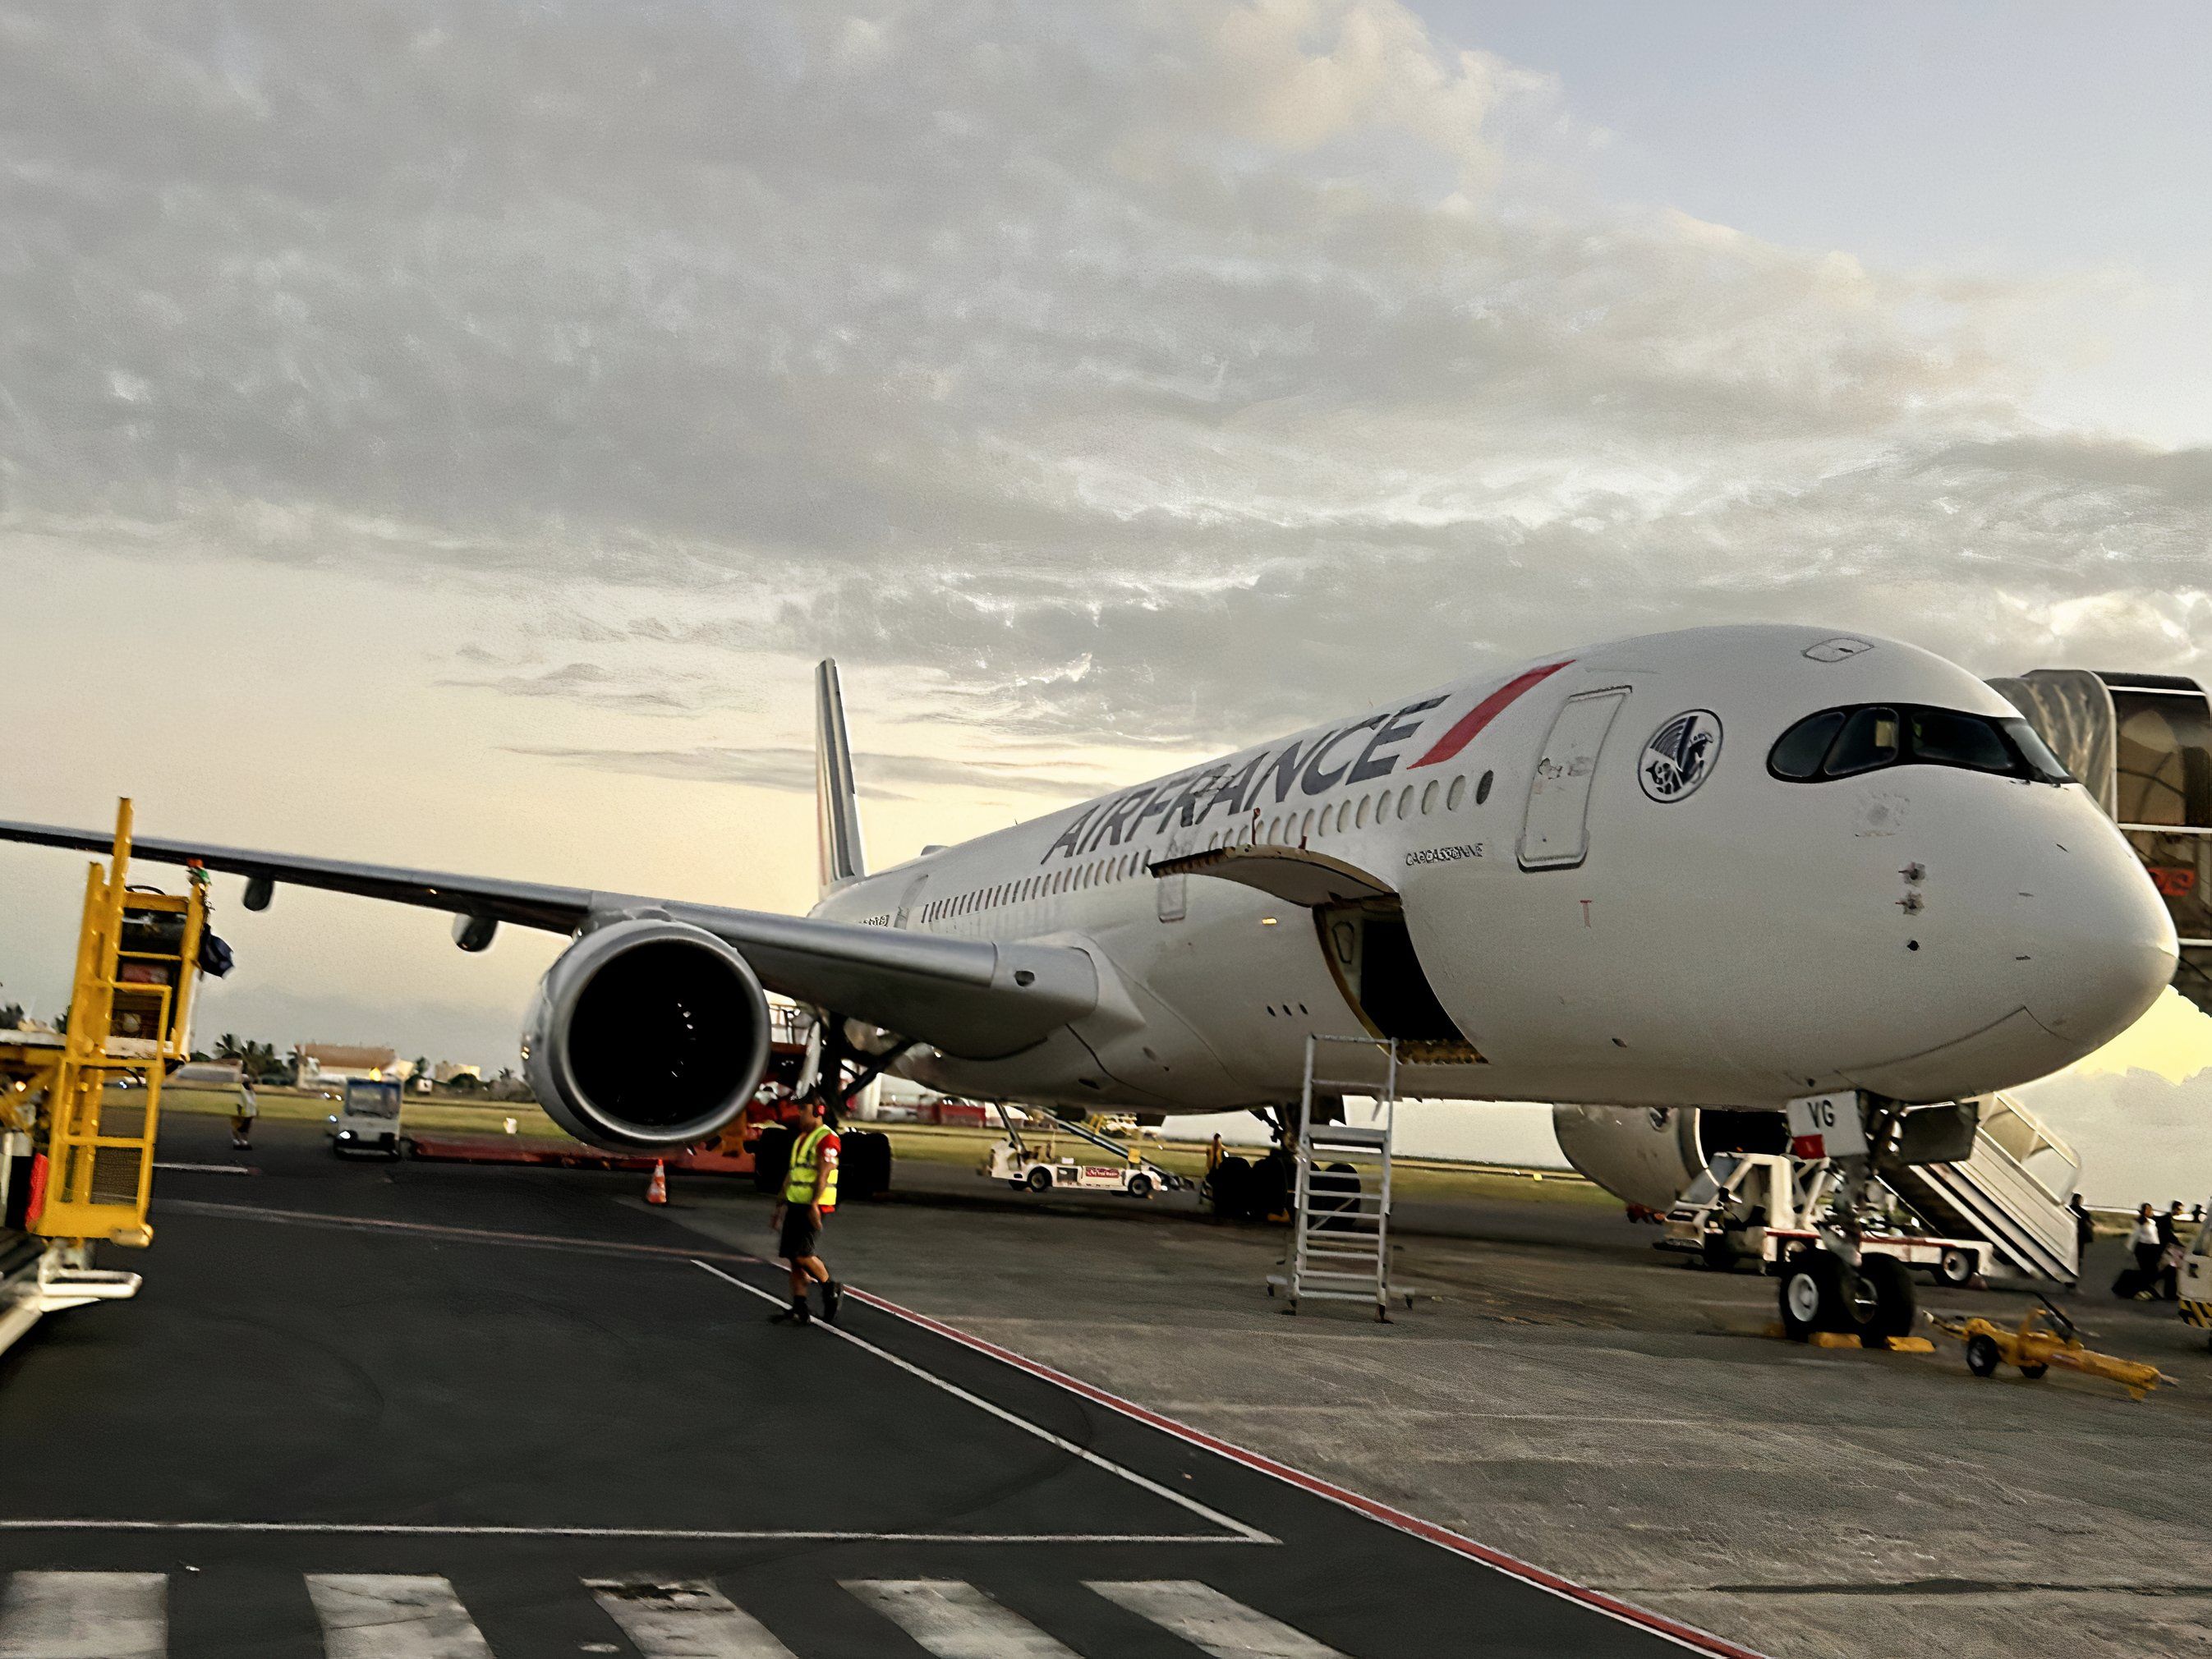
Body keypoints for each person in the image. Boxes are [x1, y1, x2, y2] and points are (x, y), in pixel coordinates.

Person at [770, 1098, 843, 1325]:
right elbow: (793, 1174)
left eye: (803, 1109)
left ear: (819, 1111)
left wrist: (813, 1205)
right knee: (793, 1257)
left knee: (802, 1254)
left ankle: (830, 1287)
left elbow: (824, 1173)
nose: (799, 1113)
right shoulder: (802, 1138)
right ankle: (800, 1305)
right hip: (796, 1203)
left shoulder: (827, 1138)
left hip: (814, 1205)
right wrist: (780, 1206)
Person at [230, 1072, 258, 1151]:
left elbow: (252, 1102)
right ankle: (238, 1141)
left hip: (248, 1113)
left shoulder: (248, 1091)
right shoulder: (244, 1090)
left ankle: (241, 1141)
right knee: (239, 1127)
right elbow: (239, 1102)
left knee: (243, 1128)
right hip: (245, 1112)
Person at [2068, 1193, 2095, 1261]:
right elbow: (2090, 1224)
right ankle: (2079, 1259)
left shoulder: (2068, 1209)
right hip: (2081, 1233)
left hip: (2070, 1232)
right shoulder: (2084, 1212)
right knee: (2080, 1248)